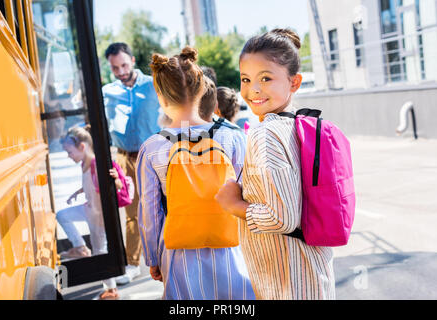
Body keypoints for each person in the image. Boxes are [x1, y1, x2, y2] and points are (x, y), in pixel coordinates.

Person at [215, 28, 336, 300]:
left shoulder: (266, 133)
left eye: (266, 78)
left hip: (288, 280)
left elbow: (282, 217)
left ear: (294, 82)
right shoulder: (296, 125)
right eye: (246, 79)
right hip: (309, 270)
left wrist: (233, 205)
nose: (253, 89)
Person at [136, 47, 255, 300]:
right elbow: (250, 193)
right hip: (232, 247)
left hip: (178, 252)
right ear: (203, 89)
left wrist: (153, 257)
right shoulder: (233, 136)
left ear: (161, 96)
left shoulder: (151, 148)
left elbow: (150, 210)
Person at [102, 42, 161, 285]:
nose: (121, 71)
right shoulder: (107, 91)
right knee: (131, 210)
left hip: (153, 153)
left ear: (133, 60)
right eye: (115, 68)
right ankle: (133, 262)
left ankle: (167, 255)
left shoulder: (153, 85)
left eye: (124, 65)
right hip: (124, 156)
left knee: (159, 205)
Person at [57, 126, 121, 300]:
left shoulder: (96, 164)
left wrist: (116, 180)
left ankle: (112, 290)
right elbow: (89, 184)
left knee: (100, 251)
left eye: (70, 152)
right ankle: (80, 247)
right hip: (88, 208)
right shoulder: (84, 163)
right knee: (62, 215)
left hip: (98, 216)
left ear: (82, 147)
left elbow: (117, 186)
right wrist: (77, 193)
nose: (69, 156)